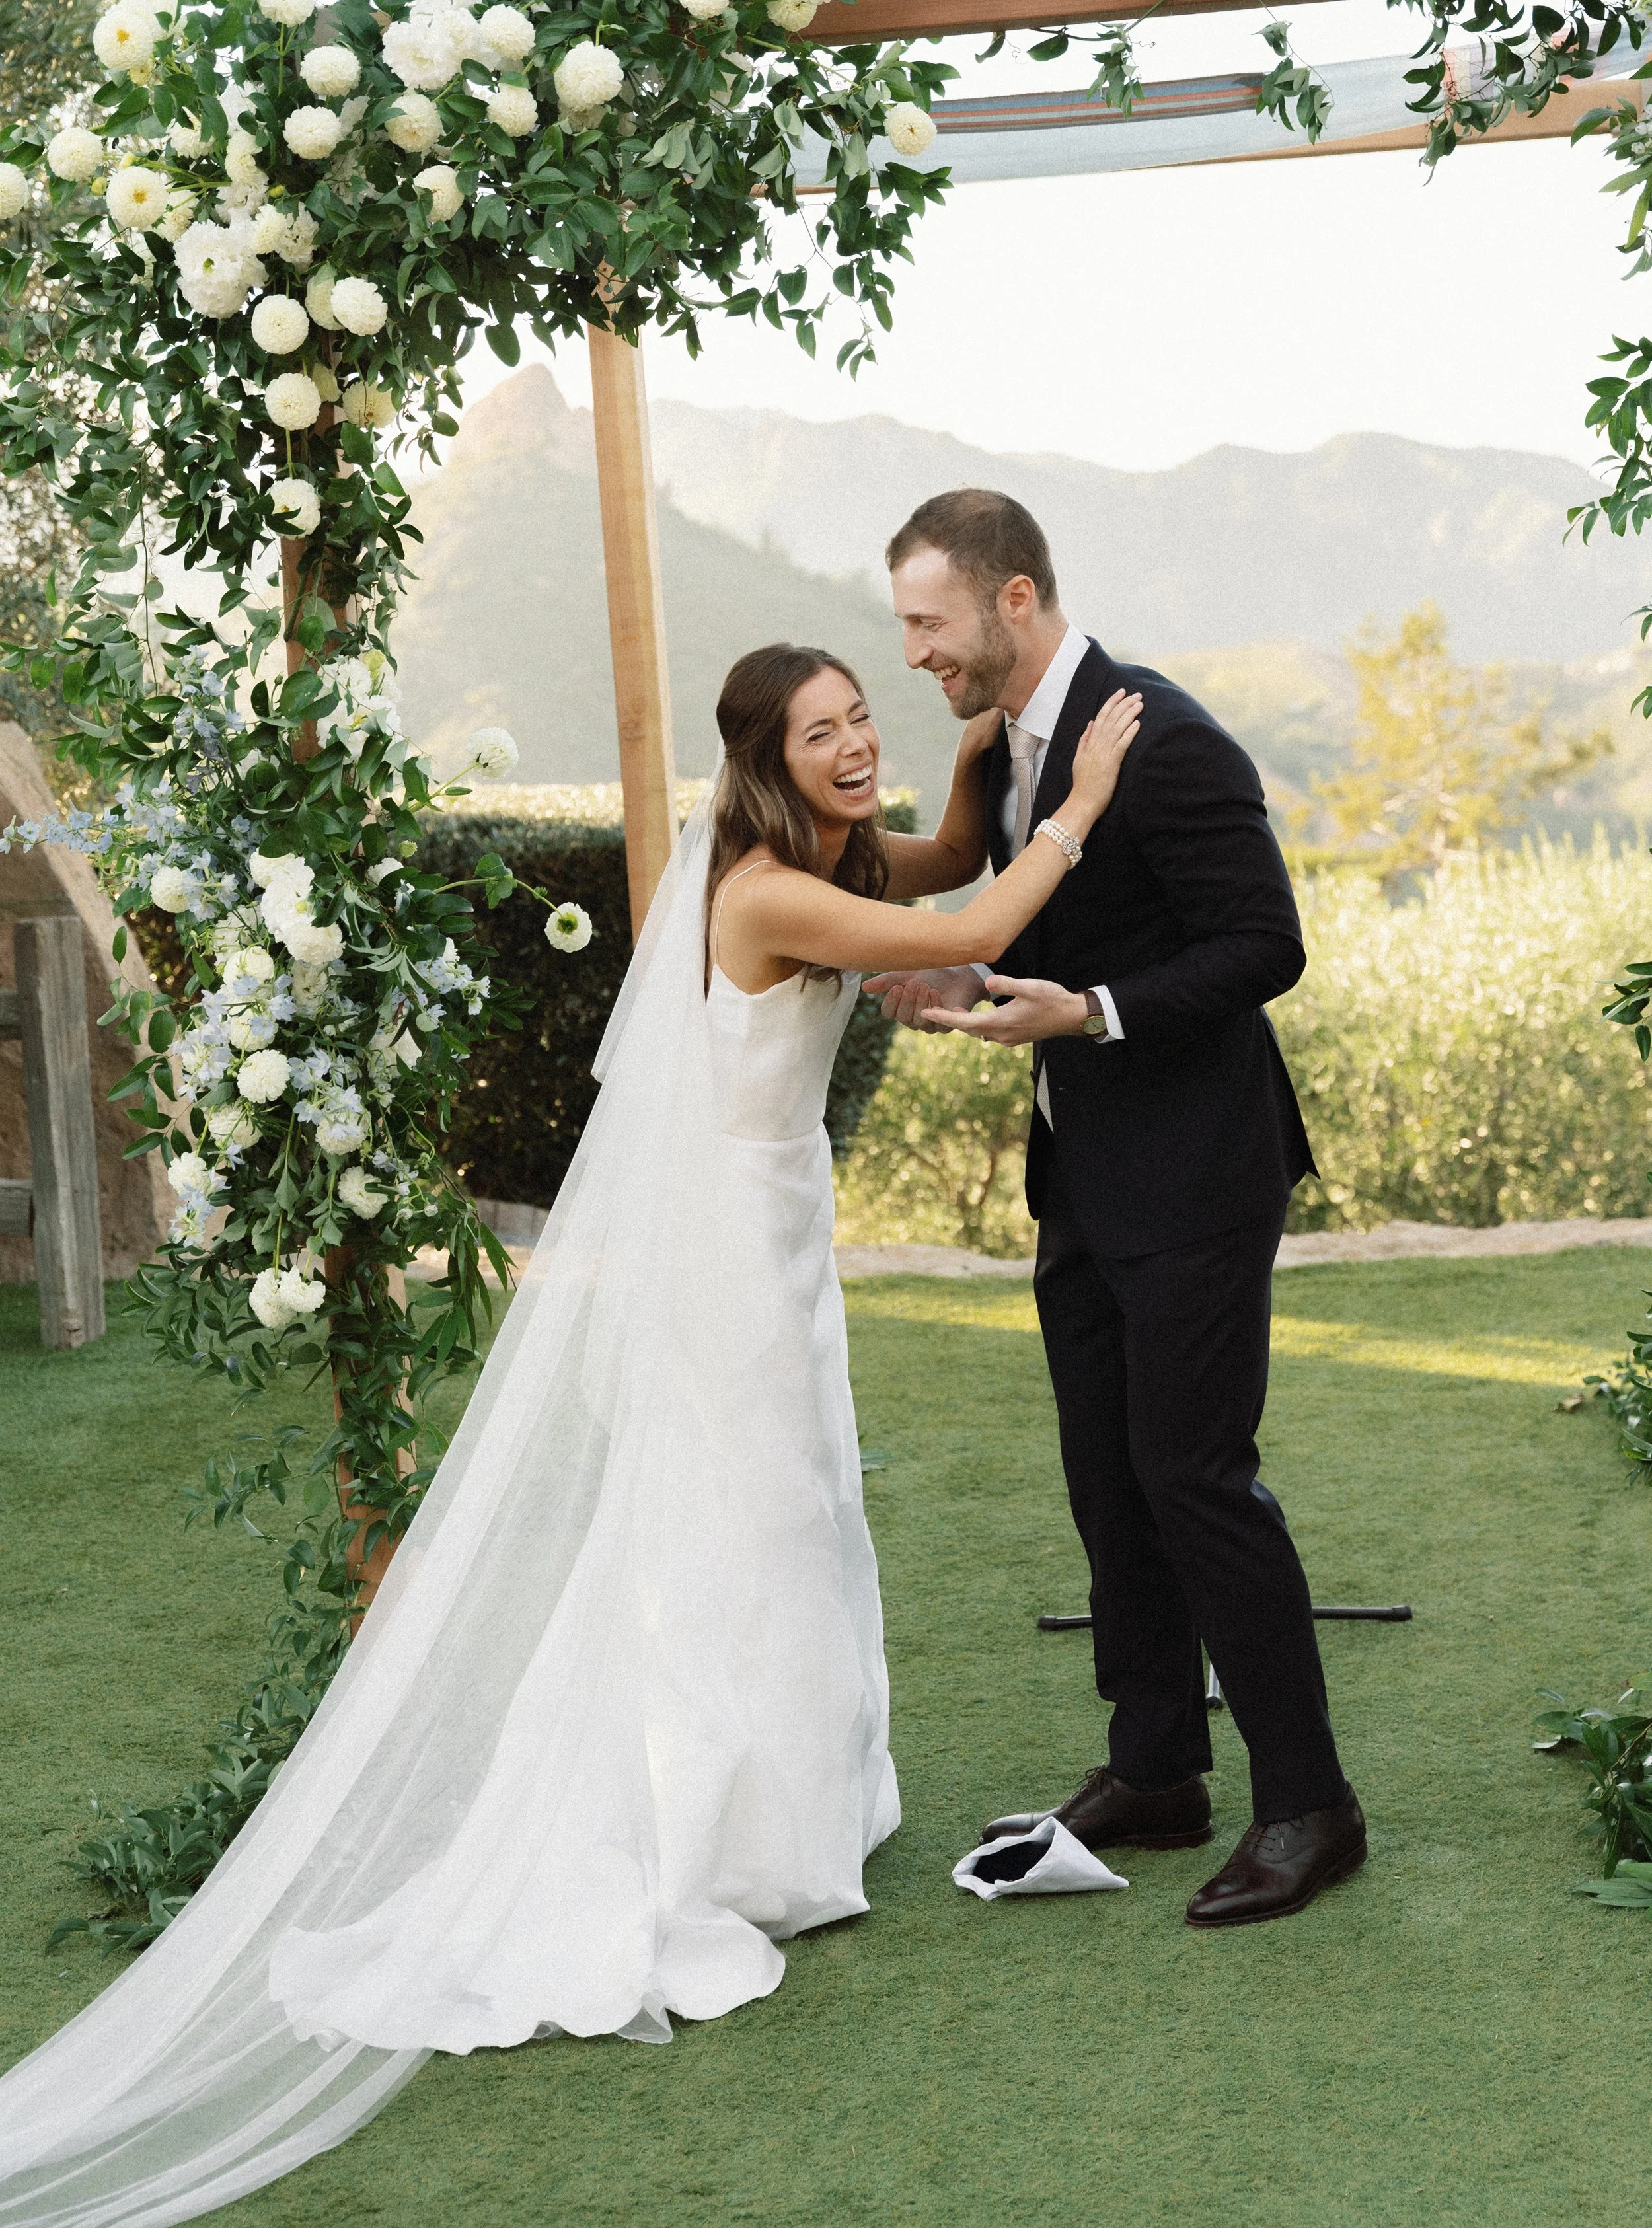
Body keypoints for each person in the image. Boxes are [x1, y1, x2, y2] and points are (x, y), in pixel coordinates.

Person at [0, 640, 1140, 2227]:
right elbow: (964, 922)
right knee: (743, 1525)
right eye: (822, 731)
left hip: (774, 1232)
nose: (852, 744)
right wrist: (1076, 799)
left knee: (792, 1515)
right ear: (761, 757)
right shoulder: (754, 888)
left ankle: (783, 1820)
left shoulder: (823, 846)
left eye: (857, 717)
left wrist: (969, 755)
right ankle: (708, 1845)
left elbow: (942, 858)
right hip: (725, 1264)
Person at [866, 488, 1367, 1929]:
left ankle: (1309, 1805)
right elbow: (1072, 925)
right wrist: (968, 983)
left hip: (1198, 1177)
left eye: (927, 622)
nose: (913, 653)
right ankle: (1154, 1769)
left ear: (1011, 599)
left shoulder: (1164, 737)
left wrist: (1084, 1012)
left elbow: (1261, 946)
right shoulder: (1013, 744)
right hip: (1082, 1175)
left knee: (1193, 1476)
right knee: (1107, 1473)